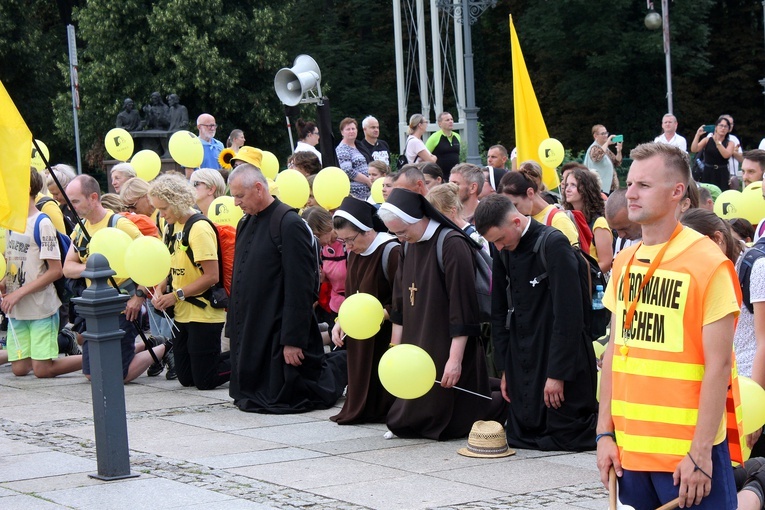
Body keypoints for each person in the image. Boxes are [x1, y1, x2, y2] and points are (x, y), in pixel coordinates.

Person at [597, 142, 742, 510]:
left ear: (677, 191)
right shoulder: (625, 260)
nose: (630, 193)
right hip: (631, 452)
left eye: (643, 185)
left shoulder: (708, 262)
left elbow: (719, 367)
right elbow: (614, 351)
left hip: (686, 457)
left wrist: (700, 453)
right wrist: (603, 434)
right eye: (629, 183)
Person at [377, 188, 505, 440]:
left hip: (447, 341)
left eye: (402, 231)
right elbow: (400, 302)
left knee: (457, 414)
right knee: (411, 412)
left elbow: (463, 308)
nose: (399, 238)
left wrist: (454, 360)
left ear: (418, 219)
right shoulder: (407, 246)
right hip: (417, 335)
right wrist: (396, 349)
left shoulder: (451, 243)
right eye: (395, 233)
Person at [474, 194, 598, 451]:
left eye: (500, 239)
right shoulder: (503, 250)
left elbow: (569, 315)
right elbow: (498, 311)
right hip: (522, 350)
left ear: (517, 222)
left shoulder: (553, 244)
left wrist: (557, 374)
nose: (497, 248)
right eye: (492, 243)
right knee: (523, 431)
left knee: (563, 429)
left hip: (554, 348)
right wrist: (505, 367)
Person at [226, 163, 346, 413]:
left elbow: (301, 286)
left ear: (259, 189)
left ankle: (346, 361)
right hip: (255, 325)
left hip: (279, 325)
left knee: (289, 394)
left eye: (240, 195)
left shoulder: (288, 224)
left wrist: (293, 340)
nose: (236, 203)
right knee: (254, 393)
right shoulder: (246, 222)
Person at [63, 175, 169, 383]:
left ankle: (166, 348)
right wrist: (96, 268)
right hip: (95, 308)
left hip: (124, 306)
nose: (71, 207)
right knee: (90, 373)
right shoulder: (80, 228)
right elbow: (67, 268)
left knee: (116, 377)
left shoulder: (120, 225)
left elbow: (149, 258)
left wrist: (139, 296)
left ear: (93, 198)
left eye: (75, 201)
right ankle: (153, 344)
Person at [148, 173, 231, 390]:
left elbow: (212, 276)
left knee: (206, 380)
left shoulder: (199, 228)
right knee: (186, 378)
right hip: (183, 313)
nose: (161, 214)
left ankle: (251, 359)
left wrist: (175, 296)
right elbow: (167, 265)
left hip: (204, 313)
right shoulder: (170, 227)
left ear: (177, 202)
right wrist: (159, 290)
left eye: (164, 208)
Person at [0, 168, 83, 378]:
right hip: (17, 308)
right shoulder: (10, 222)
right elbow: (13, 264)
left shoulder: (42, 222)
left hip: (40, 306)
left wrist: (18, 293)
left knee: (42, 370)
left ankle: (98, 356)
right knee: (19, 369)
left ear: (27, 188)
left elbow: (56, 271)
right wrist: (4, 283)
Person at [330, 197, 399, 424]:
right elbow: (352, 296)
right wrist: (341, 321)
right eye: (343, 241)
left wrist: (377, 314)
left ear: (367, 230)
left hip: (384, 332)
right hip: (360, 332)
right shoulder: (355, 253)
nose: (347, 246)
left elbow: (403, 299)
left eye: (350, 239)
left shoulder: (391, 251)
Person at [498, 169, 580, 247]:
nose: (513, 213)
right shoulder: (525, 219)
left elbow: (571, 258)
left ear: (530, 193)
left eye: (515, 206)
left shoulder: (559, 220)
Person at [562, 167, 614, 274]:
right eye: (567, 185)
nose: (567, 189)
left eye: (573, 185)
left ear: (586, 189)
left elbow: (606, 263)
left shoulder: (599, 223)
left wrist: (584, 277)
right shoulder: (565, 218)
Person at [302, 206, 346, 326]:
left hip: (351, 304)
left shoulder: (347, 241)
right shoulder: (319, 247)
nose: (316, 241)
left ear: (327, 227)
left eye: (317, 236)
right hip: (334, 305)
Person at [691, 116, 736, 191]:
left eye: (725, 126)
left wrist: (717, 142)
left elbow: (726, 155)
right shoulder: (707, 140)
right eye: (721, 125)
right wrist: (698, 135)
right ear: (716, 127)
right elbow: (694, 149)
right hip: (708, 171)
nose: (723, 128)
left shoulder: (730, 143)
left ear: (728, 129)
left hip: (722, 172)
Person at [335, 117, 372, 200]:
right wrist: (367, 180)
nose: (351, 131)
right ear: (342, 132)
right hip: (354, 193)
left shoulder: (359, 146)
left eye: (353, 129)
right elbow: (347, 170)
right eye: (348, 129)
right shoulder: (342, 149)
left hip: (366, 192)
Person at [583, 124, 622, 194]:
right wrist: (607, 142)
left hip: (610, 188)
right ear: (595, 136)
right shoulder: (594, 148)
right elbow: (597, 157)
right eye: (603, 133)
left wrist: (619, 151)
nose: (606, 135)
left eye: (606, 133)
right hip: (599, 189)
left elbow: (617, 162)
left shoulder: (605, 148)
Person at [605, 189, 642, 256]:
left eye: (624, 228)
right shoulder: (622, 241)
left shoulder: (662, 241)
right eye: (615, 230)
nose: (621, 235)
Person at [425, 112, 460, 179]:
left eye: (451, 119)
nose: (450, 122)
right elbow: (425, 156)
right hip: (439, 176)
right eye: (447, 120)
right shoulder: (434, 137)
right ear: (440, 123)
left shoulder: (457, 136)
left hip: (454, 175)